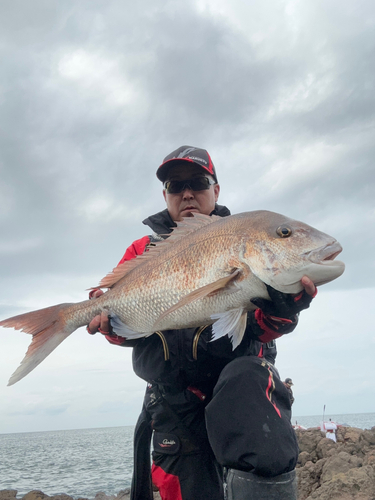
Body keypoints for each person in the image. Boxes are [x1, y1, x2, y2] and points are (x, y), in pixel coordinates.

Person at [87, 145, 317, 500]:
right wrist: (107, 324)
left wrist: (285, 312)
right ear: (165, 195)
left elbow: (260, 326)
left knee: (265, 452)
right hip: (173, 405)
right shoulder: (141, 250)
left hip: (242, 398)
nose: (188, 193)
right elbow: (126, 324)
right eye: (176, 186)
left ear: (216, 189)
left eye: (198, 182)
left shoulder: (247, 236)